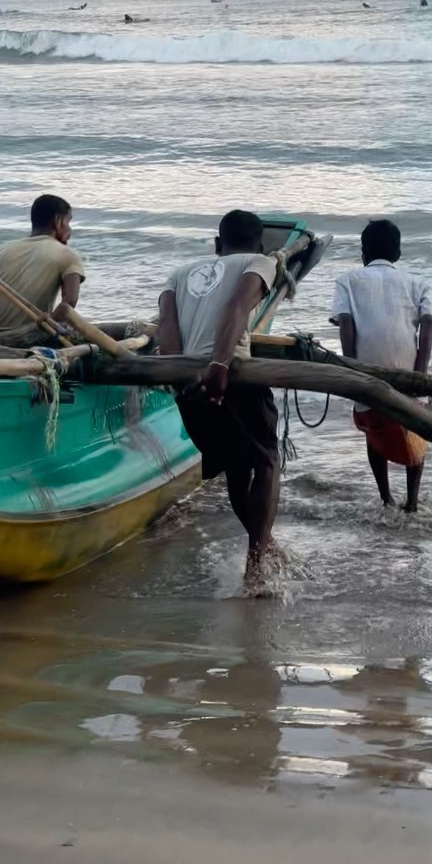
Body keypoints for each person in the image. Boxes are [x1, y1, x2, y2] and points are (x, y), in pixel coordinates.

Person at [158, 210, 280, 585]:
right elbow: (238, 308)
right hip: (231, 377)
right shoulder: (261, 262)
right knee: (267, 463)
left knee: (236, 467)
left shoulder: (178, 274)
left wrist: (181, 380)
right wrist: (219, 364)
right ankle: (258, 565)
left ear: (216, 245)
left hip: (188, 385)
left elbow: (167, 325)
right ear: (259, 245)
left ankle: (264, 548)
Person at [330, 219, 432, 513]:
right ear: (398, 252)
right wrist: (420, 374)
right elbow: (427, 327)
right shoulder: (417, 284)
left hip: (366, 374)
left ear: (363, 253)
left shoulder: (348, 280)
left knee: (373, 432)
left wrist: (352, 367)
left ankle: (386, 498)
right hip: (408, 376)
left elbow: (346, 324)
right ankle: (412, 501)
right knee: (415, 432)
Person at [0, 194, 85, 334]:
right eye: (68, 222)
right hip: (29, 340)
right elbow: (69, 303)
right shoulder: (67, 254)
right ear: (57, 221)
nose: (70, 230)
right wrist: (47, 327)